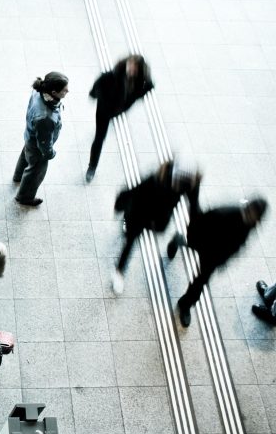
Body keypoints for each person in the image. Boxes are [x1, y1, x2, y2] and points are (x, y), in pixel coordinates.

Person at [168, 198, 267, 327]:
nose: (253, 217)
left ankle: (185, 304)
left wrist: (223, 260)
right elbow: (204, 219)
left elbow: (237, 244)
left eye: (256, 216)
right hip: (204, 242)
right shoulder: (227, 212)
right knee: (191, 247)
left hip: (213, 257)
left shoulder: (250, 225)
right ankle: (179, 240)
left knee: (200, 281)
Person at [111, 161, 201, 294]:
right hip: (140, 212)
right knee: (130, 240)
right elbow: (135, 192)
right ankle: (119, 272)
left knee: (155, 230)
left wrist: (200, 225)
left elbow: (194, 207)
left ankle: (175, 241)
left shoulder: (190, 184)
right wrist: (121, 203)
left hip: (160, 219)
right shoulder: (155, 179)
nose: (178, 186)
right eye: (177, 182)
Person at [86, 55, 154, 182]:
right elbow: (98, 86)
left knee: (101, 135)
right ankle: (92, 167)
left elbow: (148, 87)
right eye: (130, 66)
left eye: (135, 68)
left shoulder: (141, 82)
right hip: (104, 111)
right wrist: (95, 95)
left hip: (118, 109)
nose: (131, 70)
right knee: (99, 138)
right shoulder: (111, 76)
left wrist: (134, 98)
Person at [13, 72, 68, 207]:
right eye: (64, 90)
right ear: (54, 92)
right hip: (38, 148)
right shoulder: (45, 118)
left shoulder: (38, 92)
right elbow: (44, 143)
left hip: (30, 136)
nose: (68, 91)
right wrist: (50, 153)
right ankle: (25, 197)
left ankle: (18, 176)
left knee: (26, 156)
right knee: (36, 172)